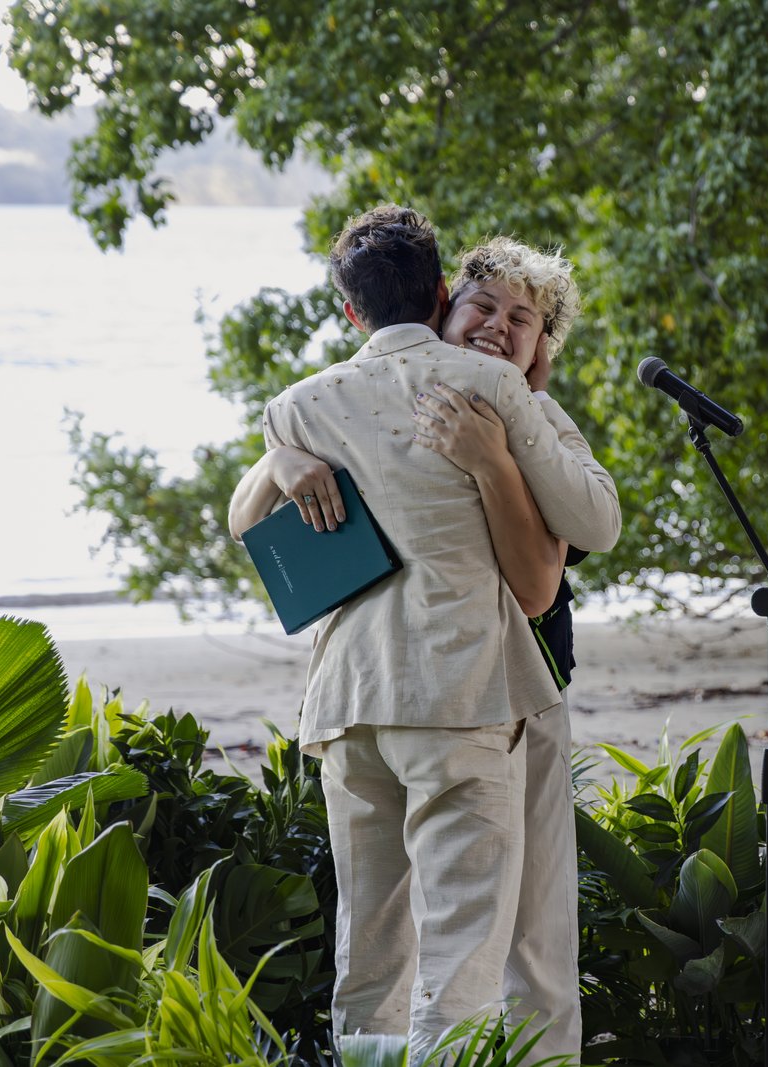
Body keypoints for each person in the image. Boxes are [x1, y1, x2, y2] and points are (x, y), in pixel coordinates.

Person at [227, 209, 619, 1062]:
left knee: (393, 948)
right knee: (463, 952)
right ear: (443, 299)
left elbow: (557, 558)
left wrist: (498, 447)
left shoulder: (308, 400)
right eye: (485, 306)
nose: (498, 327)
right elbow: (584, 538)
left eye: (522, 320)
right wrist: (282, 461)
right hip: (467, 695)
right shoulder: (484, 392)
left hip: (393, 701)